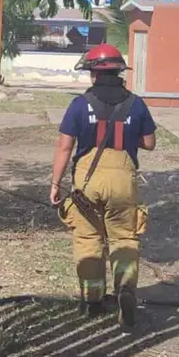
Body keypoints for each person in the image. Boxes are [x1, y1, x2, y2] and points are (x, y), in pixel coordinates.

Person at [49, 43, 157, 328]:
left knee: (88, 239)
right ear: (119, 72)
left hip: (88, 181)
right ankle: (125, 288)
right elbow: (149, 143)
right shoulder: (136, 103)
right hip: (123, 181)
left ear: (94, 74)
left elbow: (64, 147)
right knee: (124, 238)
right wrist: (129, 133)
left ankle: (92, 301)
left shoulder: (79, 104)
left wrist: (55, 183)